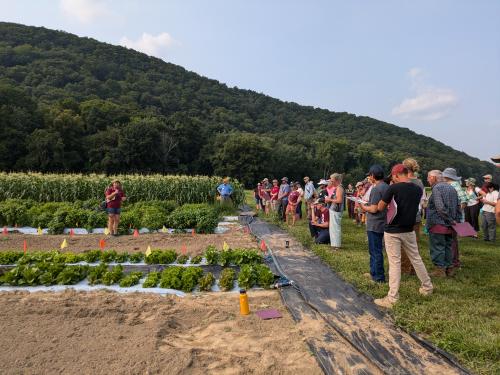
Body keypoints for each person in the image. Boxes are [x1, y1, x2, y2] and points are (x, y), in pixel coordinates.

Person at [374, 164, 433, 309]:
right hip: (409, 229)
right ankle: (427, 287)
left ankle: (392, 297)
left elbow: (380, 207)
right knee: (416, 258)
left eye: (392, 177)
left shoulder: (393, 188)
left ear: (396, 175)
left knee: (395, 263)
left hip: (393, 230)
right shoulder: (418, 189)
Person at [426, 170, 461, 277]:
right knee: (448, 247)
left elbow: (440, 208)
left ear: (433, 178)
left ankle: (439, 270)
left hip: (439, 223)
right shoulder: (452, 188)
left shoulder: (436, 188)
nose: (427, 180)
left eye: (428, 177)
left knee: (438, 247)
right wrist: (455, 221)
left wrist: (450, 220)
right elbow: (458, 206)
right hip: (451, 224)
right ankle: (449, 269)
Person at [360, 165, 389, 283]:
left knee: (375, 251)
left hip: (375, 223)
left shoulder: (377, 188)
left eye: (369, 175)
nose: (368, 178)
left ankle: (378, 277)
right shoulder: (386, 186)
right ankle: (373, 272)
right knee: (375, 250)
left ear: (372, 176)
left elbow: (373, 209)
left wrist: (362, 206)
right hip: (383, 221)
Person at [401, 158, 426, 274]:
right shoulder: (420, 182)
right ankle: (414, 269)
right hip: (416, 216)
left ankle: (405, 268)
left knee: (403, 244)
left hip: (404, 216)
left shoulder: (404, 181)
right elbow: (422, 201)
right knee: (414, 245)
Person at [442, 167, 468, 270]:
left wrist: (455, 212)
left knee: (452, 240)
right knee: (450, 240)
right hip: (451, 217)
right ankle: (451, 261)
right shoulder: (450, 185)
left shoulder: (455, 185)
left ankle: (454, 262)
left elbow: (464, 200)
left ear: (447, 176)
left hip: (453, 218)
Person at [325, 173, 344, 250]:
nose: (331, 182)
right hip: (333, 209)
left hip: (336, 210)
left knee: (335, 228)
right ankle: (334, 245)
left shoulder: (339, 188)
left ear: (337, 181)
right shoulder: (337, 187)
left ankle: (336, 246)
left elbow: (339, 200)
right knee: (333, 228)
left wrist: (329, 199)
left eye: (332, 181)